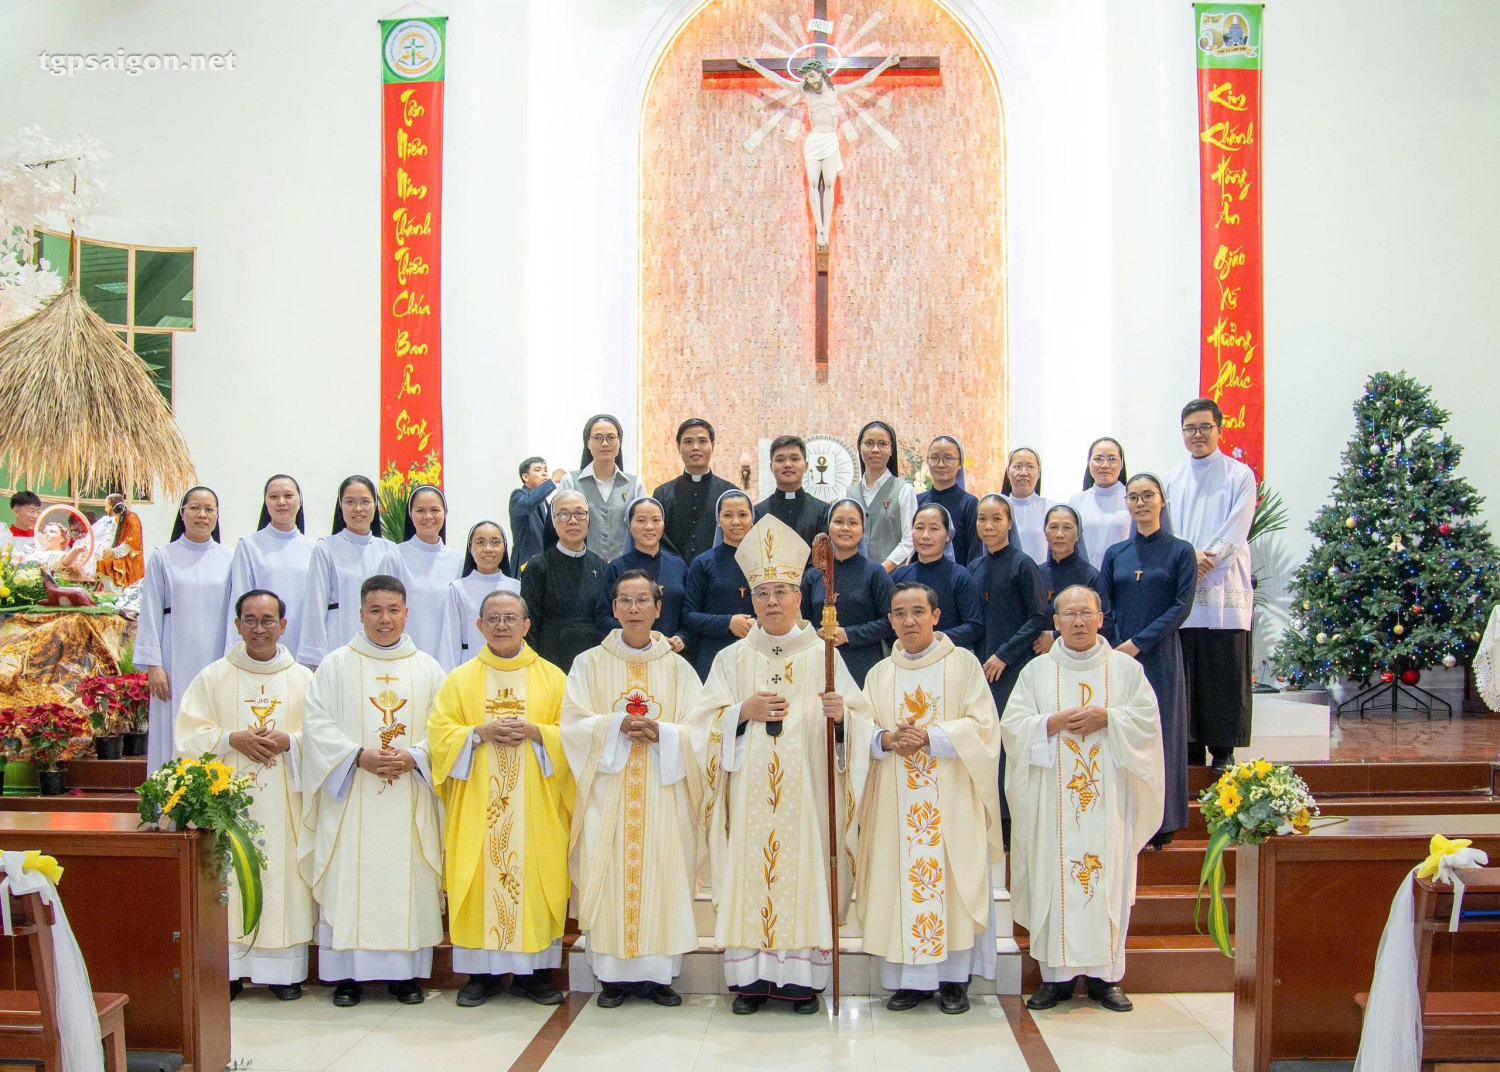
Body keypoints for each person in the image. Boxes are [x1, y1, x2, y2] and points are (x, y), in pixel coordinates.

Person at [688, 514, 874, 1015]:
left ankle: (799, 981)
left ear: (797, 598)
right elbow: (699, 725)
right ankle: (750, 981)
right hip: (748, 796)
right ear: (750, 600)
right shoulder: (731, 659)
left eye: (782, 591)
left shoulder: (823, 655)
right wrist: (740, 713)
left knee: (802, 873)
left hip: (806, 795)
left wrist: (842, 719)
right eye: (763, 592)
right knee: (752, 874)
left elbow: (860, 719)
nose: (772, 601)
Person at [1003, 585, 1165, 1015]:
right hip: (1051, 803)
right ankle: (1054, 979)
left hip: (1109, 802)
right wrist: (1050, 723)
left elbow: (1148, 724)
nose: (1078, 621)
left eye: (1086, 613)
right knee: (1053, 879)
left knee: (1107, 881)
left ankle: (1105, 978)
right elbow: (1012, 727)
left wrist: (1108, 718)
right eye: (1069, 614)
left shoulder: (1125, 670)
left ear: (1100, 618)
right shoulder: (1036, 672)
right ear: (1055, 622)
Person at [297, 575, 445, 1008]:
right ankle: (347, 977)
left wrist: (416, 756)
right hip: (352, 795)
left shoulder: (428, 668)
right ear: (360, 614)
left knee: (408, 878)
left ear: (406, 613)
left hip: (409, 793)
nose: (384, 619)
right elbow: (315, 723)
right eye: (375, 610)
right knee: (350, 878)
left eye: (393, 610)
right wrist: (356, 756)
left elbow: (444, 726)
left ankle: (406, 976)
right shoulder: (335, 665)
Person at [857, 582, 1002, 1014]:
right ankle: (910, 982)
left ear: (936, 616)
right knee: (899, 883)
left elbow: (985, 728)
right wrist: (885, 739)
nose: (909, 620)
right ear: (890, 621)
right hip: (894, 803)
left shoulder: (963, 664)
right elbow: (862, 729)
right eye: (900, 613)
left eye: (918, 611)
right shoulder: (879, 674)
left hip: (952, 799)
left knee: (953, 884)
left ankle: (955, 980)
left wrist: (931, 737)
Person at [562, 570, 705, 1007]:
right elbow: (571, 725)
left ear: (659, 608)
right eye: (625, 600)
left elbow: (702, 731)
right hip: (608, 794)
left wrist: (664, 733)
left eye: (643, 600)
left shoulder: (678, 668)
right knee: (610, 875)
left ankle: (659, 978)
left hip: (664, 794)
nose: (634, 608)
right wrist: (615, 726)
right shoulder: (589, 664)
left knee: (664, 875)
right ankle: (613, 978)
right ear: (614, 608)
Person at [428, 589, 573, 1008]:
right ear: (479, 626)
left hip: (536, 808)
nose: (502, 625)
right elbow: (439, 734)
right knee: (478, 880)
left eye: (511, 618)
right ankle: (480, 975)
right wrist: (477, 734)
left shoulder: (553, 678)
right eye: (493, 618)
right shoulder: (459, 680)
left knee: (537, 881)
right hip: (479, 806)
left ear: (527, 625)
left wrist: (537, 732)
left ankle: (537, 975)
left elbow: (575, 736)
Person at [176, 589, 315, 1001]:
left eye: (268, 620)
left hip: (285, 804)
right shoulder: (213, 677)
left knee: (283, 878)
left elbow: (324, 738)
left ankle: (283, 974)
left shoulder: (304, 680)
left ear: (283, 625)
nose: (259, 628)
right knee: (229, 878)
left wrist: (290, 742)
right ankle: (230, 971)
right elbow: (187, 734)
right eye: (250, 620)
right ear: (237, 625)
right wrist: (230, 739)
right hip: (229, 803)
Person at [1100, 474, 1196, 847]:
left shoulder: (1181, 551)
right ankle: (1127, 817)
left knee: (1162, 732)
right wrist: (1115, 645)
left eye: (1147, 496)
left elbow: (1181, 607)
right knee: (1125, 731)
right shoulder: (1115, 553)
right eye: (1134, 497)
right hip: (1120, 656)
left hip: (1161, 655)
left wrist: (1138, 643)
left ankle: (1163, 822)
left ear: (1161, 501)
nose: (1140, 503)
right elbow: (1105, 606)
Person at [1165, 399, 1257, 771]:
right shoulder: (1170, 480)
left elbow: (1238, 524)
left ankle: (1223, 749)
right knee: (1187, 670)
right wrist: (1188, 559)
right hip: (1185, 583)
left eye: (1205, 427)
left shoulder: (1240, 475)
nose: (1198, 434)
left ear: (1220, 429)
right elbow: (1166, 529)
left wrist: (1207, 561)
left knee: (1223, 668)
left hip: (1224, 586)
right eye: (1190, 428)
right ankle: (1189, 749)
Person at [966, 493, 1049, 846]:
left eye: (996, 519)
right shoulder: (974, 567)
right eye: (982, 519)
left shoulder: (1023, 564)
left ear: (1010, 522)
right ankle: (988, 816)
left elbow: (1038, 617)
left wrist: (1004, 655)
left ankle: (1012, 819)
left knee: (1010, 741)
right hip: (980, 667)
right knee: (985, 741)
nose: (989, 525)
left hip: (1012, 668)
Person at [137, 487, 234, 772]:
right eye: (194, 508)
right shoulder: (163, 556)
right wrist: (154, 665)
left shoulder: (230, 558)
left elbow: (236, 615)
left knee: (215, 722)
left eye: (209, 509)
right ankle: (169, 794)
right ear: (182, 513)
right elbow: (150, 611)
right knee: (174, 726)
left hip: (217, 657)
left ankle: (216, 793)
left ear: (217, 516)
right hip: (173, 660)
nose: (202, 515)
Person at [297, 476, 402, 668]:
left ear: (375, 506)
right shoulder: (326, 548)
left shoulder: (390, 549)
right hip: (337, 643)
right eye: (350, 502)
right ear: (340, 506)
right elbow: (315, 605)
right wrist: (315, 659)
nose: (358, 508)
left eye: (365, 501)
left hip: (382, 644)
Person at [799, 498, 894, 687]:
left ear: (863, 529)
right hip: (819, 662)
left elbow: (890, 621)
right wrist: (817, 633)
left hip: (863, 664)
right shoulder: (813, 575)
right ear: (828, 527)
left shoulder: (875, 573)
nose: (845, 528)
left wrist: (849, 634)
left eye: (852, 523)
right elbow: (802, 622)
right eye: (838, 521)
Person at [226, 475, 316, 657]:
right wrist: (237, 652)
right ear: (266, 503)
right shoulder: (249, 546)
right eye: (274, 497)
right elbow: (239, 600)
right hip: (259, 641)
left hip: (303, 642)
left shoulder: (314, 548)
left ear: (300, 501)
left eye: (288, 496)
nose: (281, 502)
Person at [520, 490, 606, 673]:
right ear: (553, 521)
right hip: (550, 664)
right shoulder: (538, 567)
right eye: (564, 514)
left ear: (588, 519)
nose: (573, 521)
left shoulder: (601, 566)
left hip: (594, 664)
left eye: (579, 513)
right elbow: (529, 625)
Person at [594, 497, 687, 653]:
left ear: (663, 524)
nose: (649, 527)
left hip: (671, 652)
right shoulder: (616, 567)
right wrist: (644, 637)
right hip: (627, 652)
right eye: (641, 520)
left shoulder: (679, 565)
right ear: (629, 526)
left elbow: (688, 612)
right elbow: (602, 617)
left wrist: (682, 637)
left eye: (656, 520)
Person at [682, 490, 755, 681]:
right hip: (713, 654)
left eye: (742, 514)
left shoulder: (767, 562)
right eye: (728, 515)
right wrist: (728, 622)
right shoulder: (703, 563)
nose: (736, 522)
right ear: (718, 521)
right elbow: (688, 615)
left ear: (752, 520)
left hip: (757, 654)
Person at [891, 504, 983, 654]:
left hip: (950, 657)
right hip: (907, 658)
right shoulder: (899, 576)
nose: (925, 536)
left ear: (948, 535)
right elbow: (889, 625)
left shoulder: (959, 576)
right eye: (919, 528)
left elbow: (974, 625)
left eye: (934, 529)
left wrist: (931, 641)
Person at [556, 414, 647, 563]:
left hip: (624, 567)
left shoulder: (634, 484)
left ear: (619, 442)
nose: (605, 443)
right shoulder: (570, 482)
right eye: (597, 437)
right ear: (588, 442)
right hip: (580, 565)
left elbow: (642, 527)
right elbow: (559, 525)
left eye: (611, 437)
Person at [436, 521, 519, 672]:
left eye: (495, 542)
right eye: (480, 542)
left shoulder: (517, 587)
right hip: (470, 667)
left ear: (504, 547)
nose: (488, 549)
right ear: (470, 547)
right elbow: (450, 641)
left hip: (511, 667)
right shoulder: (458, 589)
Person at [653, 417, 736, 567]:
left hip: (718, 569)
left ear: (713, 446)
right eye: (688, 441)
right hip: (673, 571)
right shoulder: (662, 494)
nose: (695, 447)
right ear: (678, 447)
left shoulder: (730, 493)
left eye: (702, 441)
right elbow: (658, 537)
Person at [395, 484, 463, 661]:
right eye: (420, 510)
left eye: (435, 510)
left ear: (444, 513)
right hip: (404, 654)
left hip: (447, 655)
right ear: (410, 514)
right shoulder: (395, 556)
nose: (428, 516)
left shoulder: (457, 561)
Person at [1034, 504, 1113, 654]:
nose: (1059, 534)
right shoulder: (1035, 573)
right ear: (1045, 533)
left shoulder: (1090, 576)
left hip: (1080, 655)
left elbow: (1105, 624)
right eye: (1053, 527)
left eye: (1067, 528)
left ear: (1078, 535)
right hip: (1038, 655)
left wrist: (1056, 637)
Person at [846, 420, 916, 570]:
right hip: (854, 575)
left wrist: (881, 571)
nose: (875, 449)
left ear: (891, 450)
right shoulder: (847, 495)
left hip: (892, 578)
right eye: (869, 443)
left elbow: (909, 539)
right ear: (860, 447)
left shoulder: (904, 491)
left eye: (883, 444)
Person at [753, 435, 829, 549]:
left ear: (806, 466)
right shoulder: (758, 513)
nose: (788, 464)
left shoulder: (823, 512)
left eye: (794, 459)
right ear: (771, 467)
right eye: (780, 460)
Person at [1068, 437, 1131, 570]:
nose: (1105, 465)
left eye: (1112, 459)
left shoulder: (1132, 498)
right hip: (1085, 575)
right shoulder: (1076, 501)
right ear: (1089, 463)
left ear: (1121, 464)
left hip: (1123, 572)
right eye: (1098, 458)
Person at [917, 436, 979, 567]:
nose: (940, 464)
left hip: (959, 575)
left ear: (960, 463)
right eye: (934, 457)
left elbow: (974, 550)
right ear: (927, 461)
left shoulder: (969, 503)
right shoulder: (917, 501)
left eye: (949, 458)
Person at [510, 457, 564, 577]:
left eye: (545, 470)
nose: (544, 473)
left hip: (545, 565)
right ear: (525, 477)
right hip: (526, 564)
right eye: (538, 470)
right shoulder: (518, 495)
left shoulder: (544, 502)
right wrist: (552, 481)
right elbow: (527, 504)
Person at [1002, 447, 1055, 566]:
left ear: (1039, 473)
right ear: (1008, 472)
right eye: (1017, 466)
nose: (1023, 473)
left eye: (1030, 467)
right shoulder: (999, 509)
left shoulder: (1051, 509)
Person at [96, 496, 145, 591]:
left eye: (106, 506)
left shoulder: (132, 519)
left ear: (113, 507)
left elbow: (130, 543)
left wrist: (113, 552)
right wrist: (106, 549)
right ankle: (110, 590)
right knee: (100, 562)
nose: (105, 509)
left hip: (129, 559)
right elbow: (111, 535)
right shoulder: (116, 519)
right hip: (117, 555)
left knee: (107, 563)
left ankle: (117, 590)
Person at [33, 520, 93, 584]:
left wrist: (75, 551)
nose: (47, 534)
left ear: (62, 538)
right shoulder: (37, 554)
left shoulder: (59, 555)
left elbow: (65, 561)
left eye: (52, 532)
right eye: (45, 532)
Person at [5, 490, 41, 558]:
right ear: (16, 511)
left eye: (37, 511)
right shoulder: (5, 537)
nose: (35, 516)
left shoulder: (39, 537)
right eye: (32, 511)